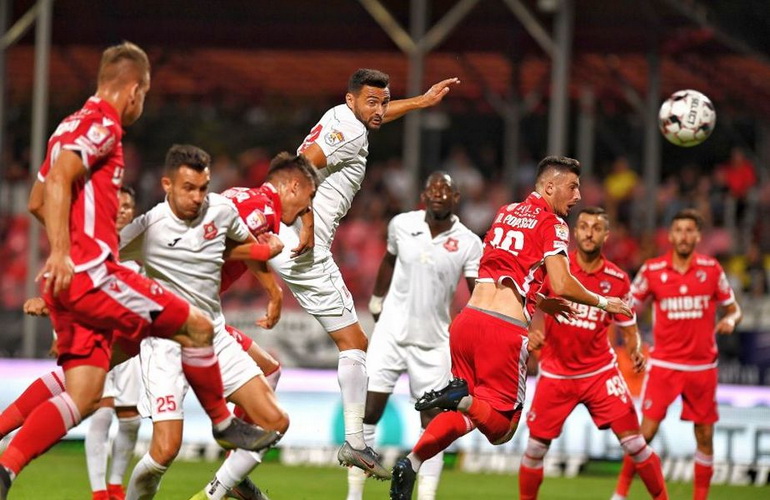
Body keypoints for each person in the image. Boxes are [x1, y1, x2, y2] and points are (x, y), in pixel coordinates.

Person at [0, 43, 273, 500]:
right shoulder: (104, 124)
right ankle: (225, 425)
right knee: (196, 324)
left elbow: (36, 199)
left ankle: (6, 469)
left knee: (83, 394)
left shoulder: (65, 126)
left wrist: (63, 252)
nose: (141, 103)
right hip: (94, 273)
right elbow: (62, 177)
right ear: (134, 90)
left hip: (72, 281)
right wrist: (66, 252)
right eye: (144, 94)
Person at [389, 155, 633, 500]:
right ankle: (460, 399)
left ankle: (412, 461)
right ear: (550, 187)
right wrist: (604, 302)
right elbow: (562, 283)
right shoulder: (553, 224)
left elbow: (506, 270)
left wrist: (540, 301)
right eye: (573, 187)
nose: (578, 196)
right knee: (502, 428)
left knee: (474, 413)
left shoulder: (506, 212)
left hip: (468, 322)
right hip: (501, 331)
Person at [268, 68, 460, 479]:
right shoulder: (352, 133)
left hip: (282, 239)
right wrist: (307, 223)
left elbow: (374, 114)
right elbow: (301, 169)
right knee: (355, 344)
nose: (379, 110)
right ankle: (355, 442)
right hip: (305, 249)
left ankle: (247, 422)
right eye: (372, 102)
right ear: (351, 99)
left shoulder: (343, 116)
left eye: (383, 102)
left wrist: (422, 101)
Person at [121, 145, 313, 499]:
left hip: (211, 331)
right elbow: (102, 259)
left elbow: (242, 244)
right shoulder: (150, 225)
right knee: (164, 452)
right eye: (189, 188)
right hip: (165, 340)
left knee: (275, 419)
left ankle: (218, 489)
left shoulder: (227, 207)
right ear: (167, 186)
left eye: (203, 188)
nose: (198, 197)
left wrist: (271, 283)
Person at [188, 153, 320, 500]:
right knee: (155, 438)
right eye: (309, 199)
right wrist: (273, 289)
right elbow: (235, 245)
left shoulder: (244, 196)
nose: (306, 209)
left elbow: (237, 239)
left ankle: (233, 471)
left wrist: (270, 252)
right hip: (187, 313)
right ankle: (221, 484)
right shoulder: (262, 209)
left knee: (269, 368)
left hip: (198, 308)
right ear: (293, 187)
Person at [346, 172, 482, 500]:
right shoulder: (402, 224)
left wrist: (476, 331)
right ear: (423, 195)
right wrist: (377, 299)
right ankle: (354, 495)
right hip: (390, 333)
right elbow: (389, 261)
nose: (438, 194)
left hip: (434, 342)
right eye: (432, 189)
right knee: (369, 412)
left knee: (434, 422)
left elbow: (476, 293)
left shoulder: (469, 242)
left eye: (445, 189)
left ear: (456, 197)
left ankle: (427, 496)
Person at [519, 207, 667, 499]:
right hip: (556, 373)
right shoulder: (556, 269)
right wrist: (531, 331)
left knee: (636, 445)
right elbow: (527, 302)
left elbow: (628, 325)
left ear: (606, 235)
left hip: (599, 373)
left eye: (596, 228)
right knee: (535, 449)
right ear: (575, 232)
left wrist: (635, 348)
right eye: (584, 226)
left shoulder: (617, 278)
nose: (589, 233)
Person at [612, 208, 741, 500]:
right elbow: (628, 306)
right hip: (664, 365)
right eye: (679, 230)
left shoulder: (711, 269)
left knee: (704, 436)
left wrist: (731, 320)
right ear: (670, 236)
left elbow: (734, 309)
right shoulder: (653, 270)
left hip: (702, 367)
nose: (684, 236)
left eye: (689, 230)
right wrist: (631, 337)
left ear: (698, 236)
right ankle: (620, 494)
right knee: (644, 434)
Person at [85, 186, 143, 500]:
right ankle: (99, 491)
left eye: (128, 206)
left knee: (131, 419)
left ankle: (116, 484)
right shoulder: (91, 244)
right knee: (103, 411)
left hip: (132, 342)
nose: (123, 210)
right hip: (98, 337)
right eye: (117, 205)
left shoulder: (142, 247)